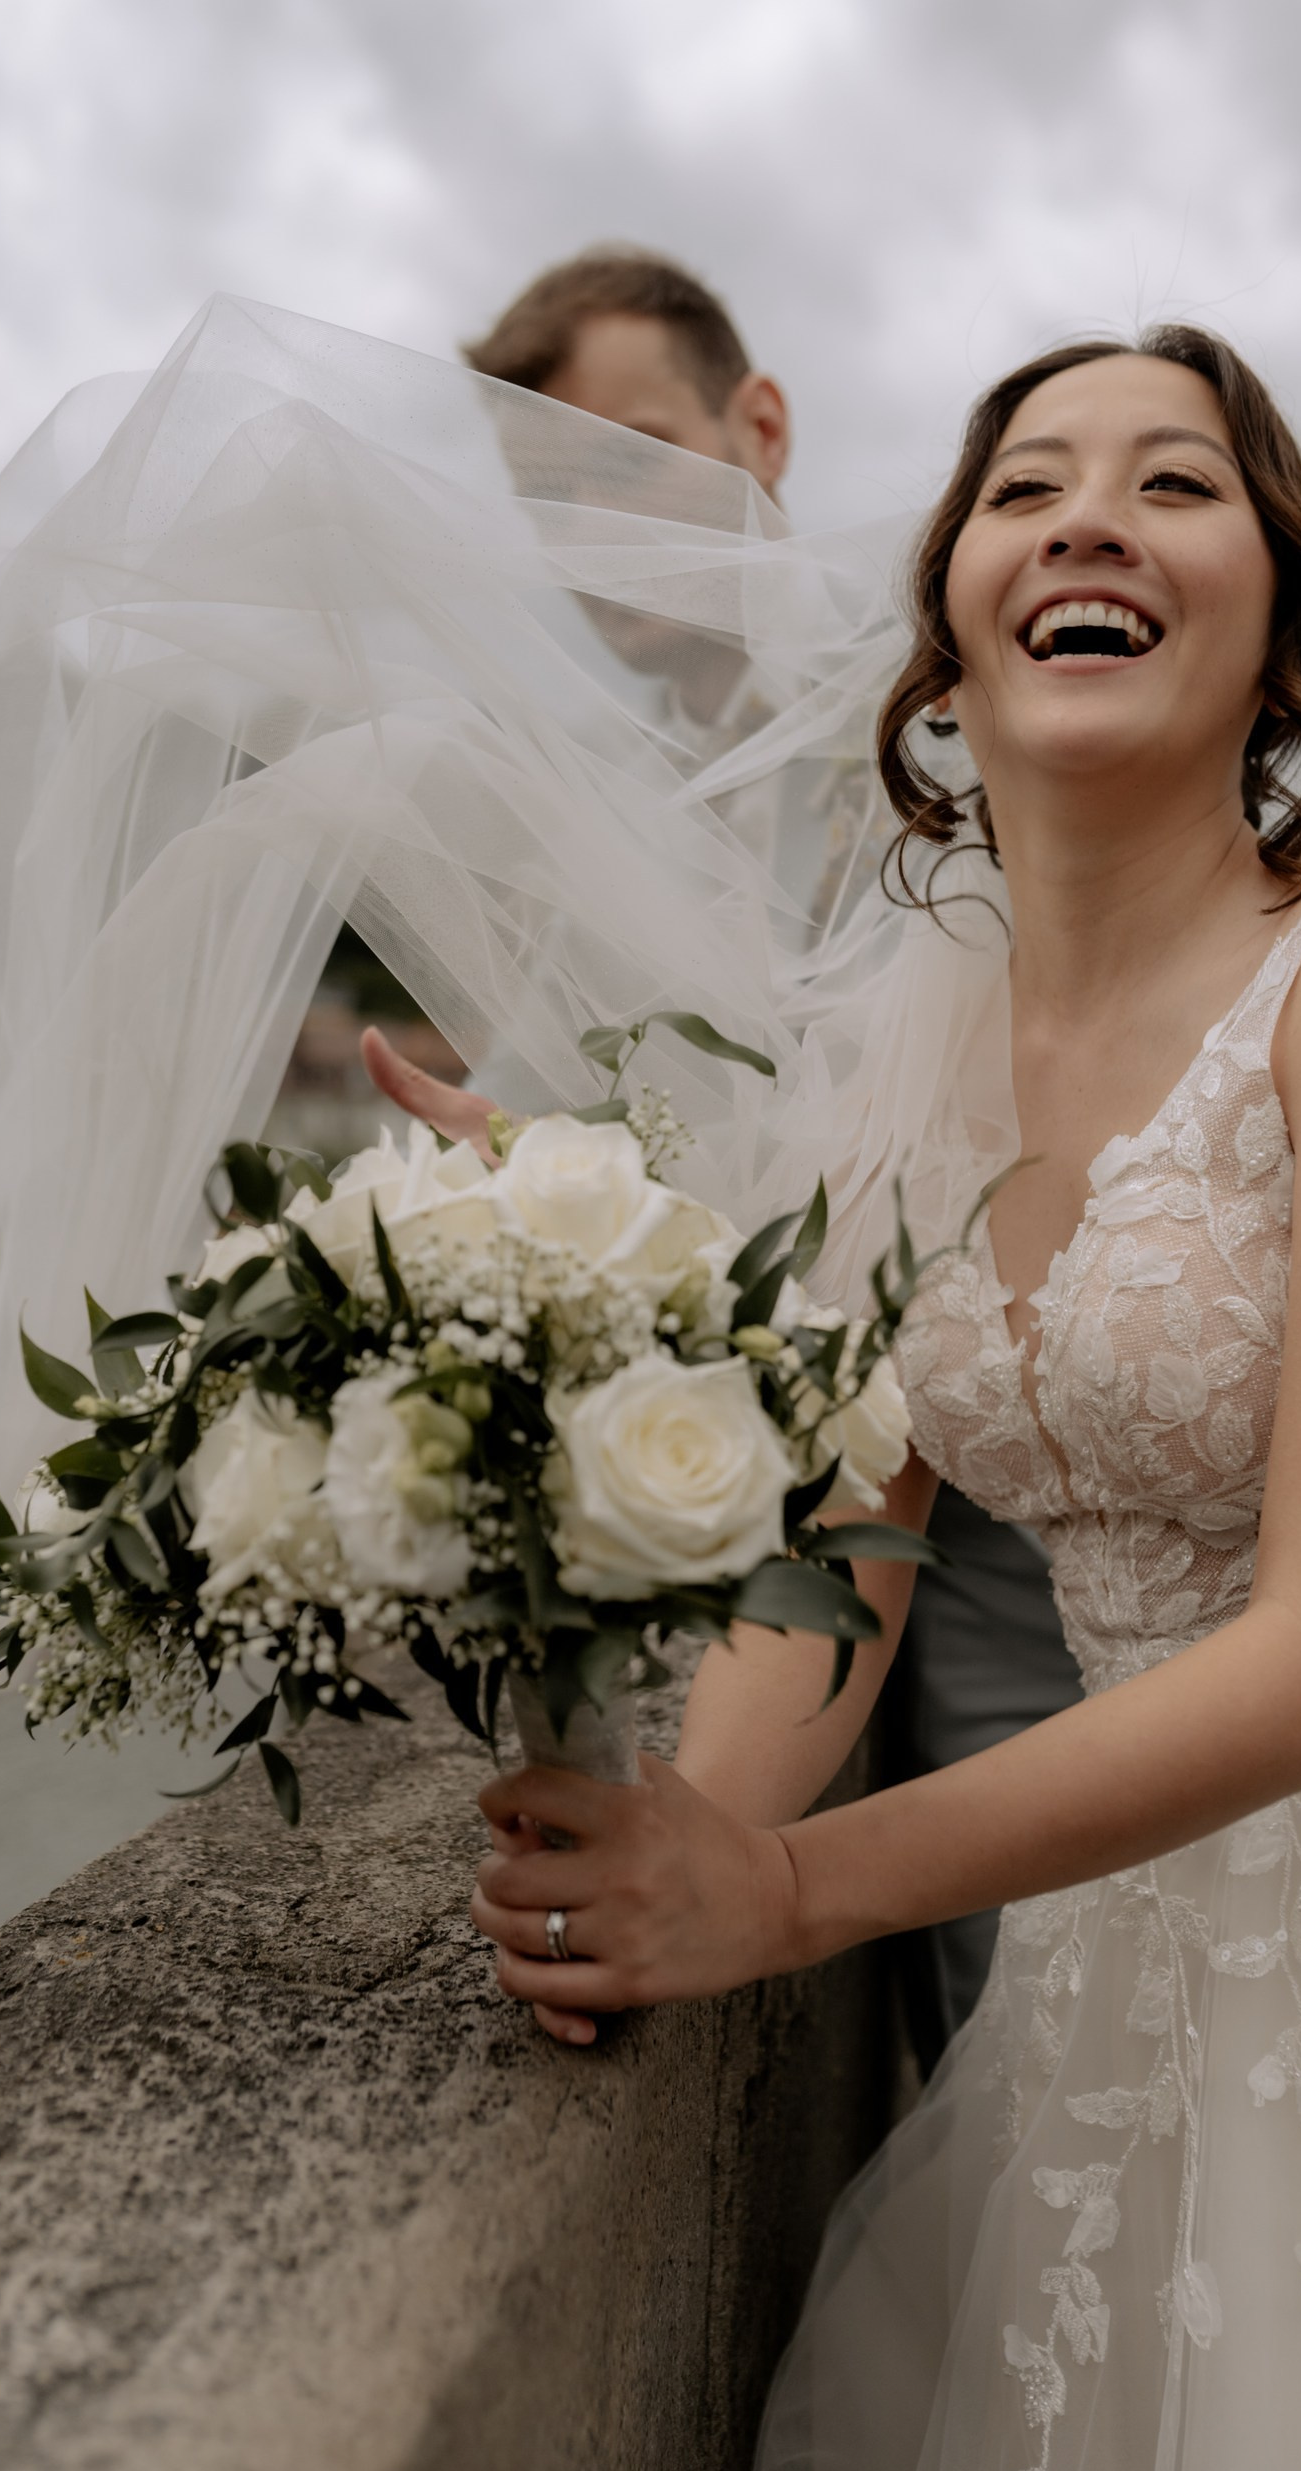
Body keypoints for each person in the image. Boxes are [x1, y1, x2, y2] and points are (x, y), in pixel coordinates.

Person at [466, 324, 1301, 2471]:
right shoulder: (915, 1044)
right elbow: (846, 1548)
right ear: (948, 632)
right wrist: (677, 1842)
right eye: (1025, 487)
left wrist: (787, 1892)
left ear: (1277, 622)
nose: (1089, 520)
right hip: (1092, 1987)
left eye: (1173, 484)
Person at [368, 247, 1084, 2072]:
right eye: (551, 504)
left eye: (628, 467)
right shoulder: (657, 796)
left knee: (1053, 2038)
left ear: (759, 426)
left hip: (1040, 1520)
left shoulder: (959, 709)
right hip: (832, 1524)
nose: (595, 542)